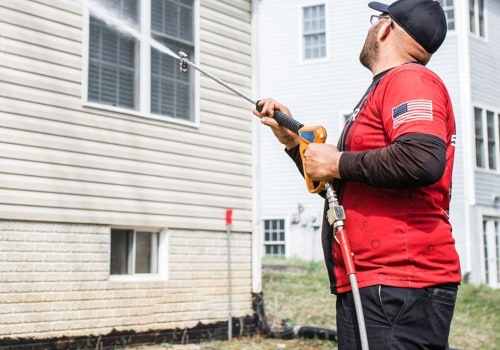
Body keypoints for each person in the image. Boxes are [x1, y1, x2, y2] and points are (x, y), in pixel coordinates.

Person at [253, 0, 462, 349]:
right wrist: (293, 144)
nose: (371, 27)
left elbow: (422, 159)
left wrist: (337, 163)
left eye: (375, 19)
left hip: (399, 286)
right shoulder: (387, 88)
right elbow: (348, 188)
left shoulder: (410, 79)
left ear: (385, 27)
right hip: (378, 285)